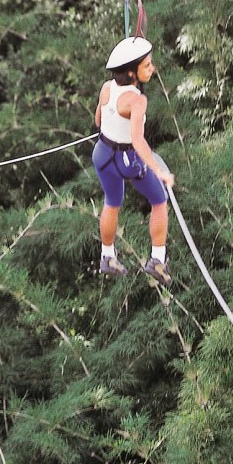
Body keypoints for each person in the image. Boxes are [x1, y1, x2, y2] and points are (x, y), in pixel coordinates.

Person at [92, 36, 175, 284]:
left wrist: (113, 124)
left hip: (102, 154)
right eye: (147, 65)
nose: (152, 68)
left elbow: (98, 121)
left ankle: (107, 256)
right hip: (126, 158)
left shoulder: (107, 88)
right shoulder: (137, 100)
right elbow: (138, 141)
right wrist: (159, 171)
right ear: (132, 72)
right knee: (159, 201)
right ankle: (157, 260)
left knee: (112, 202)